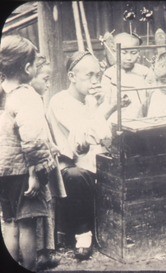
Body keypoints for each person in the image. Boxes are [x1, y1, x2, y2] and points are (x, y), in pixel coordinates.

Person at [47, 51, 128, 260]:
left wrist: (107, 108)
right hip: (70, 166)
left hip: (93, 163)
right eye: (89, 76)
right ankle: (83, 235)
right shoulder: (60, 102)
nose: (95, 81)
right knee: (77, 175)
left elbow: (104, 137)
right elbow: (81, 141)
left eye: (98, 76)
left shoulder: (90, 101)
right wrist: (102, 107)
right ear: (72, 77)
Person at [0, 35, 56, 271]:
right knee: (27, 224)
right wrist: (35, 173)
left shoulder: (4, 93)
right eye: (34, 64)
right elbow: (32, 140)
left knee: (10, 221)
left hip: (3, 170)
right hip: (23, 170)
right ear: (27, 68)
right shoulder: (26, 96)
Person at [30, 54, 64, 270]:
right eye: (45, 78)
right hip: (37, 162)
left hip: (47, 159)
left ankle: (48, 249)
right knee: (38, 206)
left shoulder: (40, 100)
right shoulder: (29, 102)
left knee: (48, 203)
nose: (48, 83)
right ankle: (38, 252)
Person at [101, 32, 149, 121]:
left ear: (139, 52)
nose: (129, 57)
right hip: (116, 121)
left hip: (140, 119)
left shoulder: (145, 72)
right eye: (124, 52)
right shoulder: (109, 74)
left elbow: (150, 99)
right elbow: (105, 102)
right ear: (114, 51)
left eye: (133, 52)